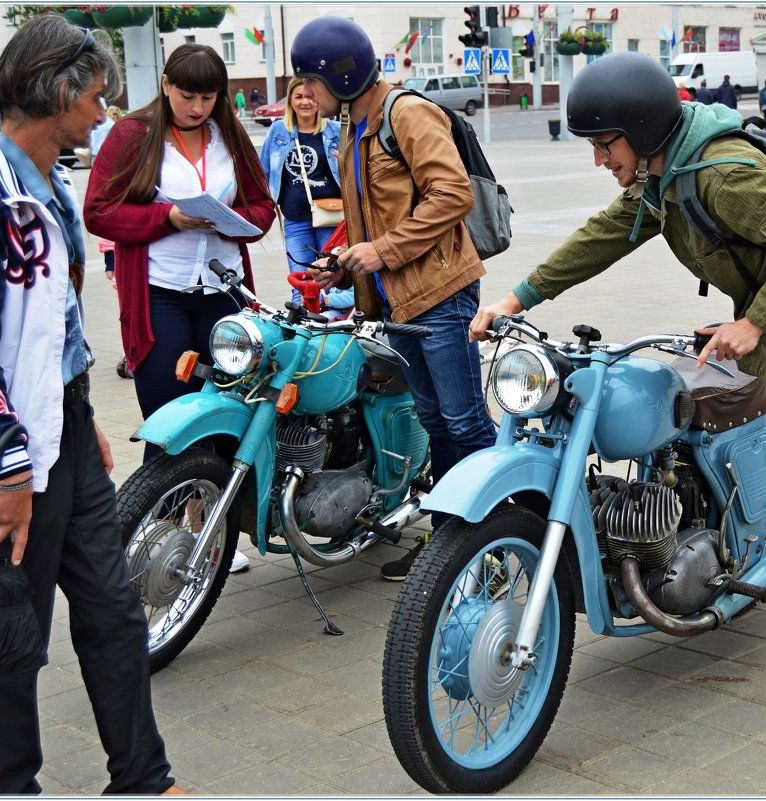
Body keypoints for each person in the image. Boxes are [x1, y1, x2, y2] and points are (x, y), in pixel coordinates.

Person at [468, 53, 766, 707]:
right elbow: (604, 234)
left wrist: (753, 322)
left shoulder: (722, 177)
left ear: (639, 132)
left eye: (602, 145)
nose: (596, 160)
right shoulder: (662, 175)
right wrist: (515, 299)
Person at [0, 15, 186, 794]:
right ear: (59, 92)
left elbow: (57, 326)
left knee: (114, 608)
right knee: (15, 637)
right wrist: (8, 462)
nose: (104, 113)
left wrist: (81, 417)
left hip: (65, 431)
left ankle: (143, 777)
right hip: (12, 454)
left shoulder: (49, 180)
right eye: (96, 97)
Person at [290, 16, 498, 581]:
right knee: (433, 419)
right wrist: (344, 264)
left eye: (310, 79)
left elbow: (451, 193)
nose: (303, 92)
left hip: (441, 291)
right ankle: (452, 538)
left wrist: (381, 251)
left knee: (466, 420)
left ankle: (504, 534)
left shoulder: (406, 113)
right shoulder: (349, 126)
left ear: (344, 72)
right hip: (397, 299)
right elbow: (368, 218)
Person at [83, 44, 276, 463]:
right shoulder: (134, 133)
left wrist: (233, 219)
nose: (197, 107)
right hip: (160, 295)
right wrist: (167, 217)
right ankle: (165, 521)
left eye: (208, 97)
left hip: (224, 295)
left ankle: (214, 519)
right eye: (187, 95)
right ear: (166, 84)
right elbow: (99, 211)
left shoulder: (231, 134)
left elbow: (263, 207)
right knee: (169, 422)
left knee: (230, 421)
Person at [259, 75, 342, 303]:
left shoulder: (336, 130)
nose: (305, 102)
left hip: (332, 219)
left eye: (310, 96)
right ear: (290, 101)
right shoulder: (278, 131)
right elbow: (262, 171)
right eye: (299, 97)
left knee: (331, 282)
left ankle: (330, 334)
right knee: (301, 283)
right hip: (296, 219)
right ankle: (302, 334)